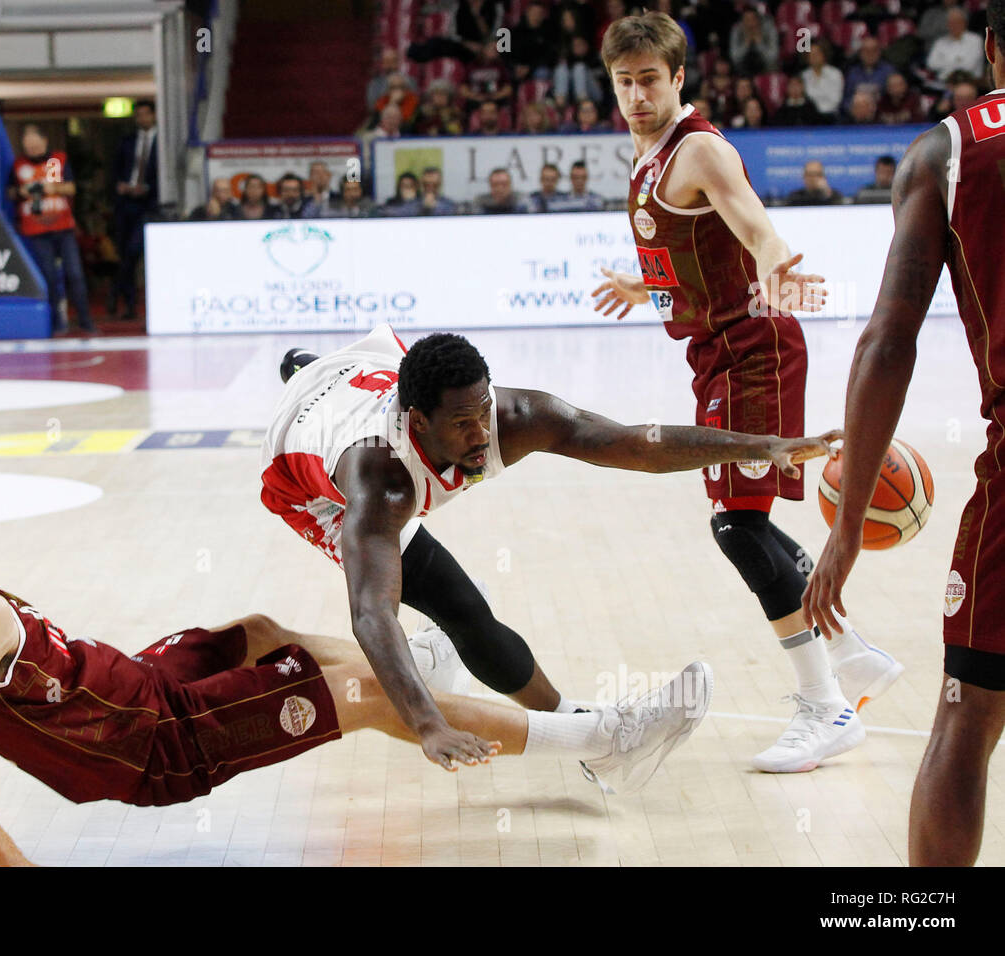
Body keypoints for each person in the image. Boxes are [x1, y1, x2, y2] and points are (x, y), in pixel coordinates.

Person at [0, 472, 715, 865]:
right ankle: (607, 739)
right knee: (357, 697)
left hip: (135, 684)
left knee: (249, 629)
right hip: (151, 742)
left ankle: (429, 677)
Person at [262, 326, 832, 771]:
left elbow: (633, 443)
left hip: (361, 373)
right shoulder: (380, 485)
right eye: (462, 424)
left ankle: (303, 367)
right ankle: (576, 727)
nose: (482, 435)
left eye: (483, 411)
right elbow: (369, 613)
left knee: (460, 606)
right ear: (419, 422)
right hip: (306, 471)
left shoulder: (511, 418)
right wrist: (427, 723)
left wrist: (756, 445)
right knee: (460, 608)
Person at [591, 12, 904, 772]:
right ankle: (849, 651)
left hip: (753, 353)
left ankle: (828, 704)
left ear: (678, 79)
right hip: (718, 354)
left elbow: (754, 226)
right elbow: (691, 247)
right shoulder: (646, 156)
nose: (636, 94)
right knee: (745, 521)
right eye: (624, 81)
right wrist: (647, 285)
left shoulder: (697, 148)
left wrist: (776, 262)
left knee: (736, 526)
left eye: (649, 80)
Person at [804, 3, 1005, 868]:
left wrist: (849, 524)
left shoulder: (948, 152)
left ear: (993, 49)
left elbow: (889, 340)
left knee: (968, 712)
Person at [9, 123, 96, 336]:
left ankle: (85, 320)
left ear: (45, 142)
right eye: (28, 147)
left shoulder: (57, 160)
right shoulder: (19, 165)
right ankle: (55, 323)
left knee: (75, 274)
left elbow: (71, 187)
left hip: (63, 227)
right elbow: (10, 193)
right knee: (47, 276)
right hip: (36, 230)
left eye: (36, 146)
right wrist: (23, 191)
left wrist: (52, 188)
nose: (33, 151)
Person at [111, 100, 158, 320]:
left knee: (136, 250)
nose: (142, 119)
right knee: (126, 256)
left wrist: (147, 189)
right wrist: (120, 186)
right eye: (138, 115)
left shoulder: (162, 142)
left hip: (150, 205)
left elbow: (163, 173)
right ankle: (128, 304)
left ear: (153, 115)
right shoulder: (127, 141)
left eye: (146, 114)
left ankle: (117, 296)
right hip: (126, 204)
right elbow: (116, 170)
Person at [927, 7, 985, 81]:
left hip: (969, 81)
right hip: (943, 82)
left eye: (957, 22)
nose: (953, 25)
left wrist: (944, 62)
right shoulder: (940, 42)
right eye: (950, 22)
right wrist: (957, 61)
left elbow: (968, 66)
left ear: (964, 23)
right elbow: (931, 64)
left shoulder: (975, 40)